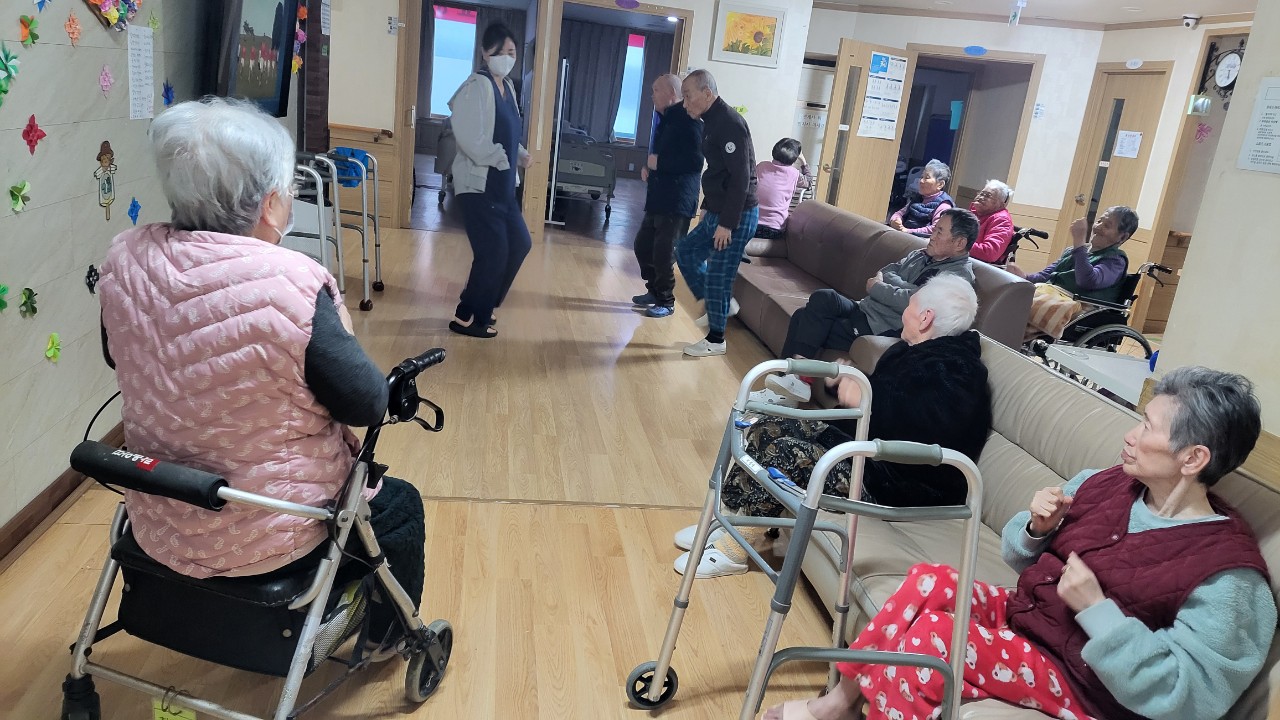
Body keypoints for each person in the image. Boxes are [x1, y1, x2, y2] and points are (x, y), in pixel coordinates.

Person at [764, 366, 1275, 720]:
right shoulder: (1105, 482)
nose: (1130, 435)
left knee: (936, 638)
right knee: (929, 581)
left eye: (1146, 426)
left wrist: (1099, 613)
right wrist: (1036, 528)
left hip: (1085, 685)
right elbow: (1016, 553)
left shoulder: (1228, 574)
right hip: (1030, 618)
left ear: (1192, 458)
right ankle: (840, 704)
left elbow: (1191, 698)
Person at [96, 98, 424, 643]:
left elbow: (117, 352)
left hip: (159, 517)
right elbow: (368, 403)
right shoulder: (291, 284)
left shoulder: (126, 259)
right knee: (399, 506)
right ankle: (386, 636)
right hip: (274, 533)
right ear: (271, 205)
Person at [673, 275, 992, 578]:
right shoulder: (911, 351)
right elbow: (884, 398)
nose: (904, 310)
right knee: (770, 425)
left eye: (910, 304)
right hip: (870, 454)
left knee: (788, 453)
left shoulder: (960, 371)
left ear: (925, 318)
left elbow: (923, 428)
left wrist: (867, 399)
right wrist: (848, 385)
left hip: (900, 483)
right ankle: (727, 521)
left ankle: (733, 551)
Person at [767, 208, 978, 403]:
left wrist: (880, 287)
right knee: (825, 297)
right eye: (935, 228)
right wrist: (899, 286)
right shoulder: (921, 254)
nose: (932, 234)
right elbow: (886, 272)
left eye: (940, 231)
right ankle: (793, 383)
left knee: (802, 317)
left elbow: (912, 300)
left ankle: (790, 386)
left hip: (878, 326)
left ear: (959, 243)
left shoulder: (956, 277)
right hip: (864, 308)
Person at [446, 22, 533, 338]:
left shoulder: (508, 87)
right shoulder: (476, 86)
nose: (507, 58)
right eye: (501, 52)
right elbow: (470, 137)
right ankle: (474, 318)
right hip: (478, 187)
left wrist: (519, 154)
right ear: (485, 52)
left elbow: (507, 133)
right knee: (493, 253)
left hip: (504, 188)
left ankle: (476, 304)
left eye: (512, 52)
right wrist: (501, 157)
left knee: (519, 244)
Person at [674, 69, 760, 357]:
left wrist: (727, 224)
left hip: (737, 215)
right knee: (685, 251)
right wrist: (707, 206)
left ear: (707, 93)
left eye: (688, 96)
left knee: (719, 276)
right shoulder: (711, 121)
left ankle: (716, 339)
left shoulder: (729, 123)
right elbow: (717, 172)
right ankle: (718, 306)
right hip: (718, 209)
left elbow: (740, 178)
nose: (685, 103)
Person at [632, 73, 704, 319]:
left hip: (678, 200)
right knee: (643, 246)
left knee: (664, 253)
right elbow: (662, 156)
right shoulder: (666, 119)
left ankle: (666, 300)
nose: (651, 95)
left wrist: (658, 163)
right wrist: (649, 167)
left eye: (656, 90)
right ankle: (653, 291)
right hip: (659, 198)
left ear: (672, 94)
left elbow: (695, 162)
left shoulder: (689, 121)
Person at [1008, 206, 1138, 340]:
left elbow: (1088, 281)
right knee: (1016, 293)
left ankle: (1013, 335)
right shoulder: (1073, 251)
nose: (1098, 227)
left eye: (1107, 225)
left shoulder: (1115, 260)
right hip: (1052, 294)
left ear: (1122, 237)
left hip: (1081, 305)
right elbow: (1046, 276)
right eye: (1099, 221)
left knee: (1038, 303)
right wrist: (1024, 276)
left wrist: (1079, 244)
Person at [754, 138, 812, 239]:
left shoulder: (761, 166)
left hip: (752, 225)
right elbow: (809, 182)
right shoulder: (794, 174)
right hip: (774, 229)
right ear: (794, 157)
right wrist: (803, 161)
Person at [889, 159, 954, 237]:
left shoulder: (944, 205)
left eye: (927, 178)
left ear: (940, 184)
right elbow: (900, 213)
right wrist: (895, 221)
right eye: (921, 177)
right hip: (906, 236)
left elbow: (935, 229)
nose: (921, 181)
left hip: (921, 241)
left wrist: (908, 231)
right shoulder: (918, 197)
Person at [968, 180, 1015, 264]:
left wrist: (959, 244)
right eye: (981, 193)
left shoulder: (1002, 220)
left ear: (1001, 204)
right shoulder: (975, 212)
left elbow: (990, 252)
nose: (981, 197)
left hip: (978, 265)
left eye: (987, 196)